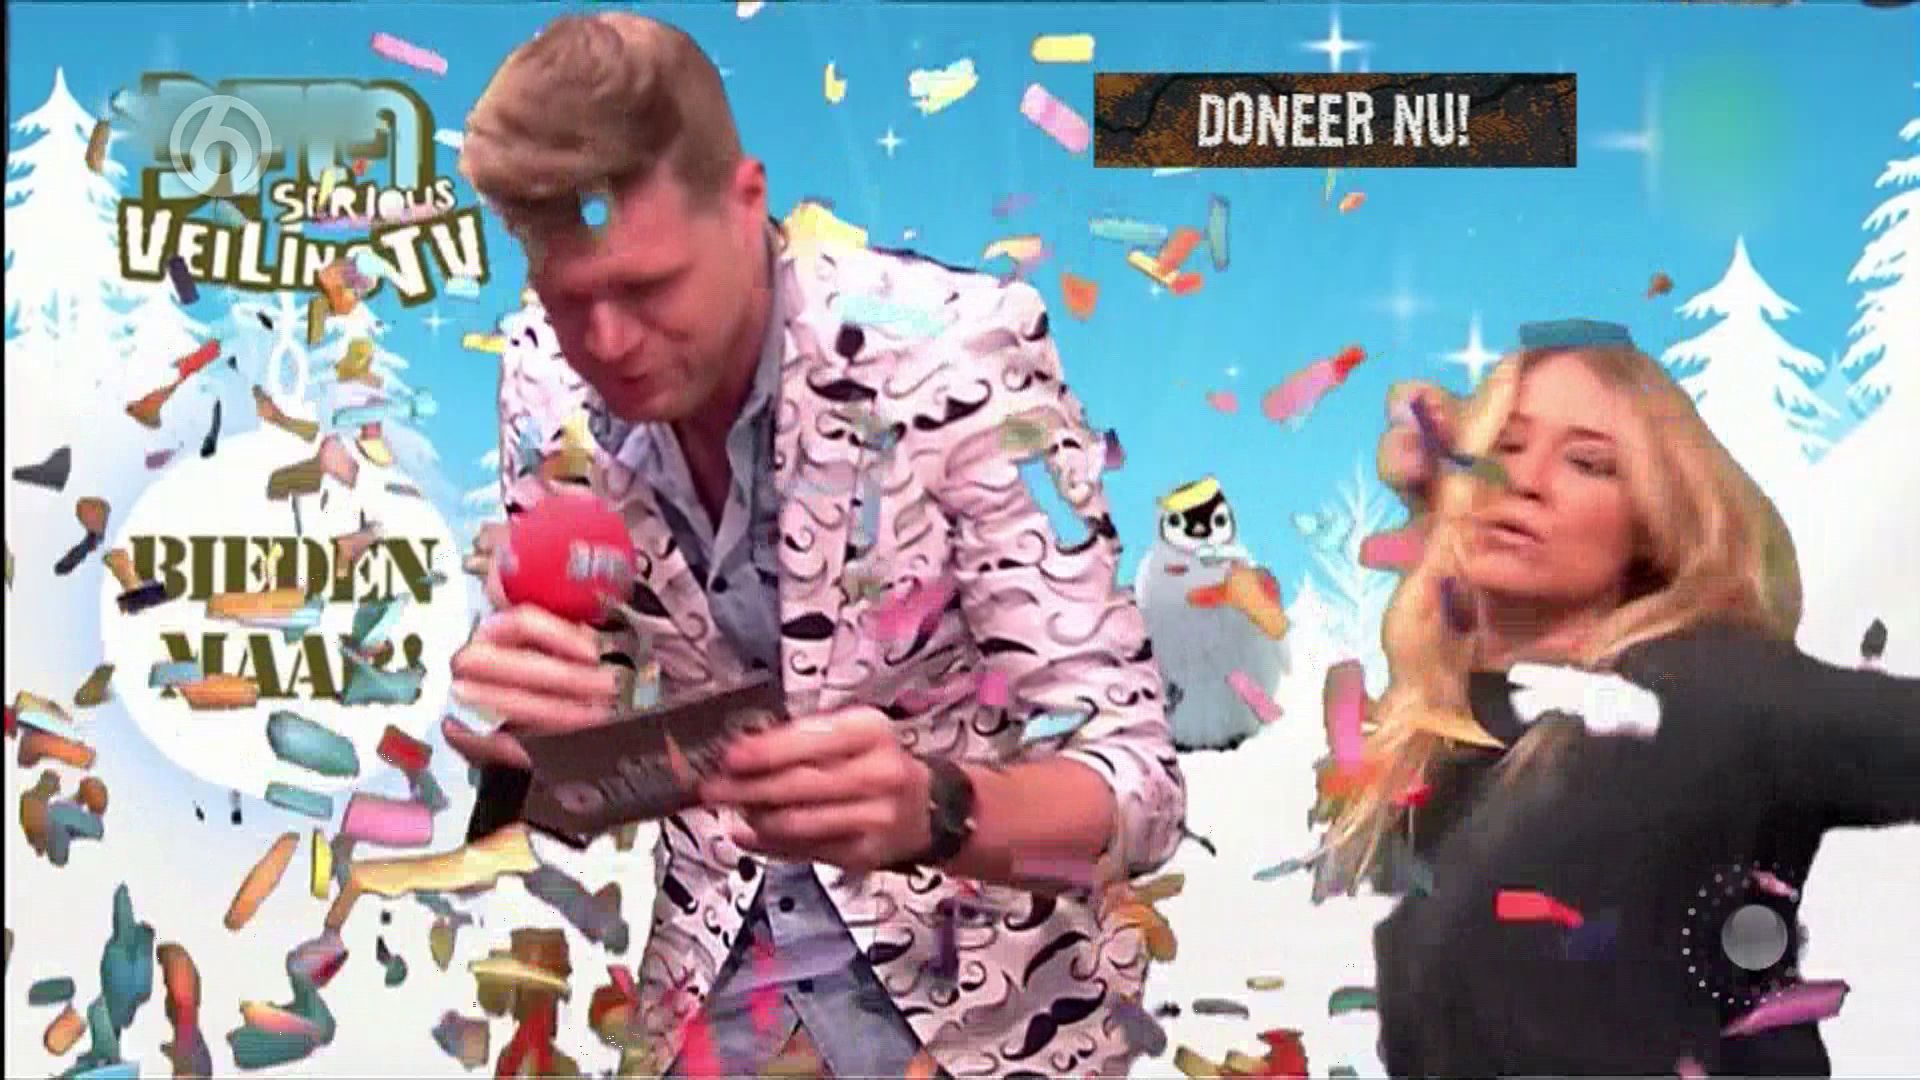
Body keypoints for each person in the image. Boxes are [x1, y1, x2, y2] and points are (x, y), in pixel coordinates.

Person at [445, 13, 1188, 1078]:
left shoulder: (961, 355)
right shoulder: (541, 374)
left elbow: (1140, 787)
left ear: (748, 202)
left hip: (988, 1020)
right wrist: (527, 741)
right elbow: (589, 743)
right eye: (571, 302)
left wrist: (938, 811)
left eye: (650, 289)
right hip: (708, 1008)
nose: (608, 344)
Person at [1324, 319, 1919, 1077]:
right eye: (1505, 446)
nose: (1524, 481)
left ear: (1653, 521)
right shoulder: (1459, 741)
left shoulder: (1704, 692)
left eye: (1589, 463)